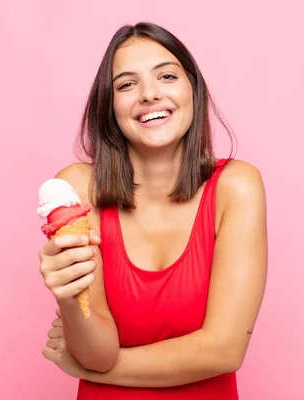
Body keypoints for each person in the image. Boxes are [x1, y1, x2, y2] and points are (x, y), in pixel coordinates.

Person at [37, 21, 268, 399]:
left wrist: (89, 370)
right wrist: (67, 293)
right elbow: (97, 351)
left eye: (166, 76)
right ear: (109, 107)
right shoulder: (79, 188)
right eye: (127, 85)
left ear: (193, 88)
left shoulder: (236, 187)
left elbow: (224, 351)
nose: (149, 94)